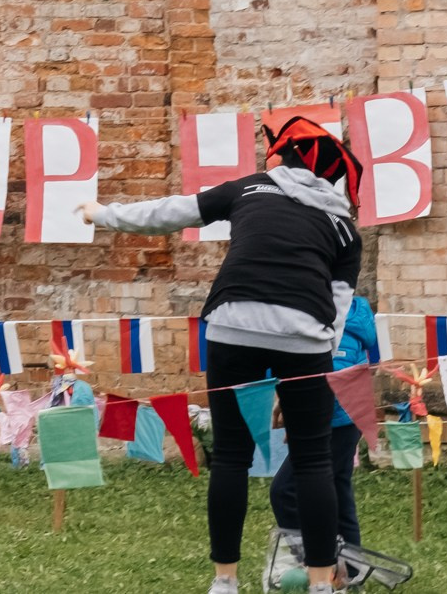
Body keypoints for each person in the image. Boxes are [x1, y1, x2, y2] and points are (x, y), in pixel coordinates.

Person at [79, 115, 363, 594]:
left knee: (231, 457)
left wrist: (103, 213)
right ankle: (320, 584)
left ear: (281, 159)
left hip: (234, 324)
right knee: (312, 460)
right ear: (332, 175)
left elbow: (174, 211)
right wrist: (311, 358)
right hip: (306, 336)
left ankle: (225, 583)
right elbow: (337, 310)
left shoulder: (250, 189)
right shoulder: (344, 228)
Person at [265, 292, 379, 590]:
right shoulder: (343, 313)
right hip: (346, 418)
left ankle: (316, 562)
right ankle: (351, 569)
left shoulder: (328, 318)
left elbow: (327, 376)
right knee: (338, 491)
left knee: (284, 491)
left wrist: (297, 413)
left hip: (335, 422)